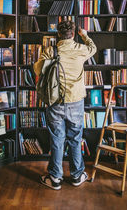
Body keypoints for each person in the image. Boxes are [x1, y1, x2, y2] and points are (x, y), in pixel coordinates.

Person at [33, 20, 97, 190]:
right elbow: (93, 48)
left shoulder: (50, 51)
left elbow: (38, 70)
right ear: (74, 34)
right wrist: (85, 35)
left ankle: (55, 178)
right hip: (75, 102)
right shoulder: (81, 49)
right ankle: (77, 176)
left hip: (55, 103)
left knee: (56, 140)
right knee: (75, 139)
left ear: (58, 34)